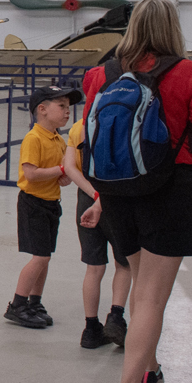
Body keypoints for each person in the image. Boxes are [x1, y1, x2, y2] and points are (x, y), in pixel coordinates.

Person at [81, 0, 192, 383]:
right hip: (170, 191)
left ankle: (147, 371)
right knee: (154, 295)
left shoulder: (100, 74)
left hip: (116, 191)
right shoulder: (189, 72)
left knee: (139, 285)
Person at [3, 86, 81, 329]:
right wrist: (62, 170)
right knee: (40, 257)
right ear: (42, 109)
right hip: (33, 204)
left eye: (69, 107)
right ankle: (17, 304)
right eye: (62, 106)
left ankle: (34, 302)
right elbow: (32, 174)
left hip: (51, 203)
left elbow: (58, 174)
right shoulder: (34, 138)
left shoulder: (59, 139)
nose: (68, 112)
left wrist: (63, 177)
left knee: (45, 257)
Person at [62, 117, 131, 349]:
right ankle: (116, 317)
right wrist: (102, 197)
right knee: (124, 263)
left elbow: (70, 167)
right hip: (115, 197)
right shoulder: (122, 121)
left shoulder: (78, 126)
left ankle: (91, 329)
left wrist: (92, 194)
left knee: (94, 267)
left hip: (86, 197)